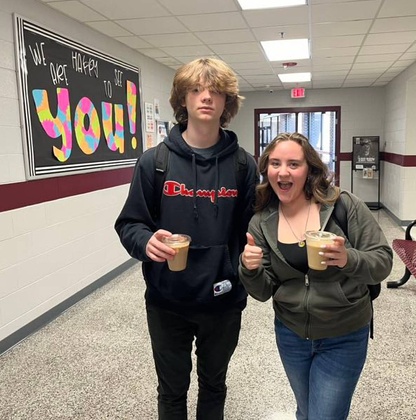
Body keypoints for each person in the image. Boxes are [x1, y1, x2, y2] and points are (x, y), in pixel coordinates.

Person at [115, 58, 258, 420]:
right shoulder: (155, 162)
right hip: (167, 300)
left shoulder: (243, 165)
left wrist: (246, 264)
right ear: (183, 100)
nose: (206, 98)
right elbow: (130, 223)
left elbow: (251, 229)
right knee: (171, 391)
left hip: (223, 300)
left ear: (227, 103)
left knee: (214, 385)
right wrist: (145, 242)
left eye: (215, 92)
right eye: (196, 90)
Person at [238, 132, 392, 420]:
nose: (283, 171)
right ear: (266, 170)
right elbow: (262, 291)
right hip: (291, 333)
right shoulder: (262, 221)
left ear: (309, 169)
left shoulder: (344, 205)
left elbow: (383, 261)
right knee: (307, 411)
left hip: (344, 332)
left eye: (294, 164)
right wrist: (249, 267)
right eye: (275, 163)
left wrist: (348, 259)